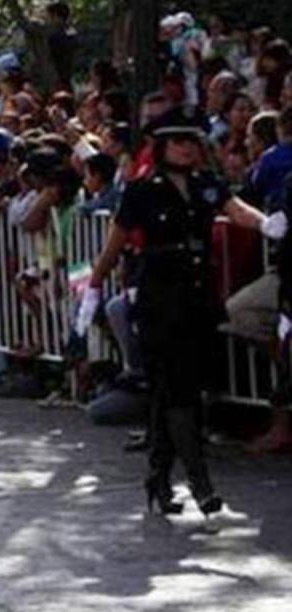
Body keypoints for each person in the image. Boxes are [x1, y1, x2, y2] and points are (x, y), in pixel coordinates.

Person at [78, 107, 287, 516]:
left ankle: (157, 478)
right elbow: (115, 243)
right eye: (179, 142)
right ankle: (200, 482)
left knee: (173, 391)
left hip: (197, 296)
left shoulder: (206, 184)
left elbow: (235, 208)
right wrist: (95, 286)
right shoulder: (141, 190)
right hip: (159, 297)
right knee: (178, 393)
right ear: (161, 147)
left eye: (193, 142)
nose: (188, 149)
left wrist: (265, 224)